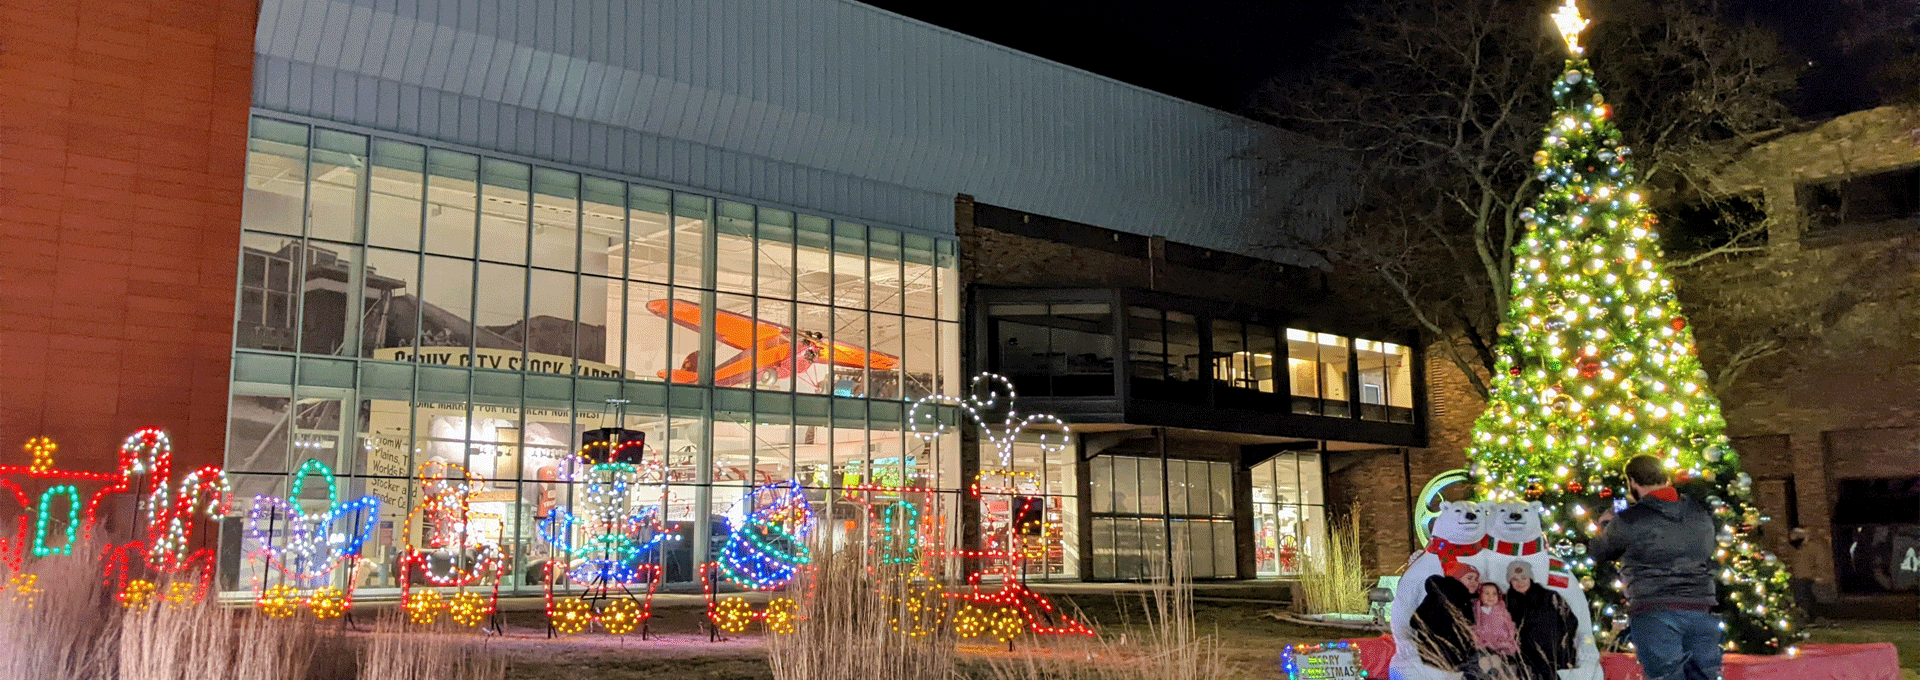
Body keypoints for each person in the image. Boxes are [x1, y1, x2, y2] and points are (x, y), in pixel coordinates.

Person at [1589, 455, 1723, 680]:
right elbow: (1707, 550)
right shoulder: (1699, 513)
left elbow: (1599, 552)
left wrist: (1605, 525)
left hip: (1654, 610)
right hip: (1701, 606)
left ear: (1632, 481)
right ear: (1665, 477)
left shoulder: (1629, 519)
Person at [1504, 560, 1579, 680]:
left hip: (1557, 656)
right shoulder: (1505, 601)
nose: (1520, 582)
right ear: (1510, 581)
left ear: (1530, 578)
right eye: (1515, 579)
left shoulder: (1550, 596)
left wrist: (1561, 642)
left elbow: (1571, 621)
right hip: (1527, 660)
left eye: (1524, 578)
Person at [1412, 562, 1482, 674]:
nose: (1474, 582)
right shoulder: (1444, 596)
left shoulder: (1465, 600)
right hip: (1442, 662)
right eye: (1469, 578)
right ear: (1457, 579)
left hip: (1457, 661)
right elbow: (1417, 622)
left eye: (1476, 579)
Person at [1471, 582, 1522, 679]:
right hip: (1486, 646)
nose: (1491, 596)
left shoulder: (1501, 610)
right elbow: (1475, 628)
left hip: (1503, 645)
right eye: (1487, 593)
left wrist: (1510, 640)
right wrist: (1478, 641)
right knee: (1486, 667)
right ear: (1480, 595)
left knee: (1507, 670)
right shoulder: (1477, 611)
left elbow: (1510, 626)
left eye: (1494, 594)